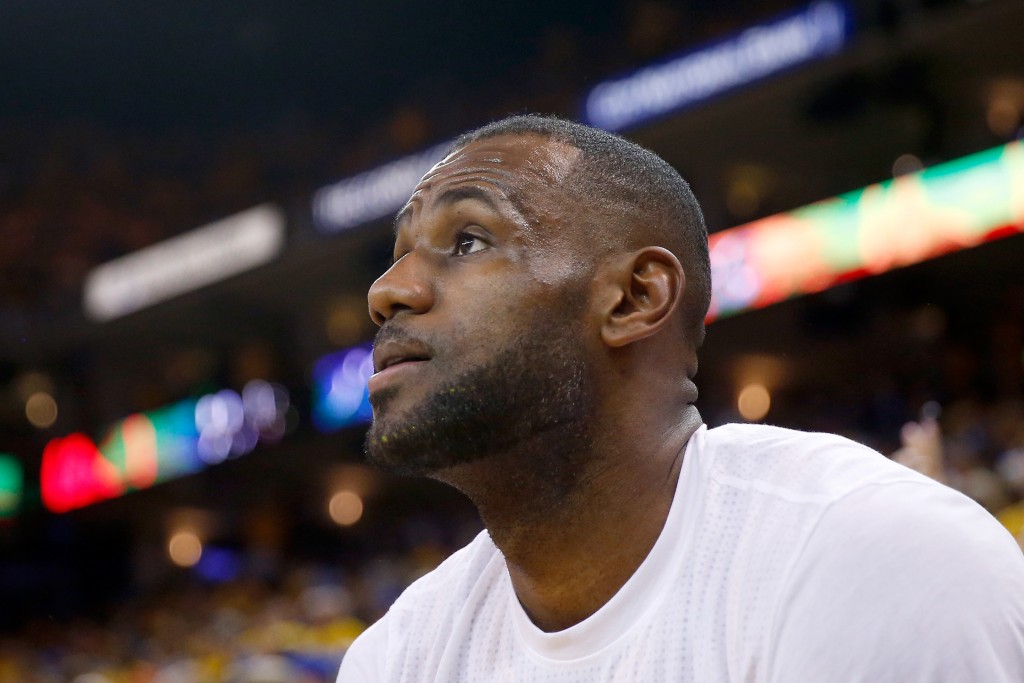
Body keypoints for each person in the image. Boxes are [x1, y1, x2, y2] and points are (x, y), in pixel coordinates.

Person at [337, 115, 1024, 681]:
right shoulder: (397, 658)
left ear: (636, 297)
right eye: (397, 253)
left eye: (467, 240)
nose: (388, 291)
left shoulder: (863, 558)